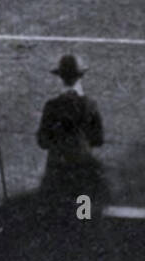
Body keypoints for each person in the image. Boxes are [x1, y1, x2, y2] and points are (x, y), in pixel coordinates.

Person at [36, 54, 108, 215]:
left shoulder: (52, 106)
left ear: (60, 77)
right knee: (84, 217)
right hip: (83, 170)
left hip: (57, 171)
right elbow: (98, 139)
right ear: (80, 76)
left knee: (54, 216)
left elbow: (42, 141)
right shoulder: (90, 105)